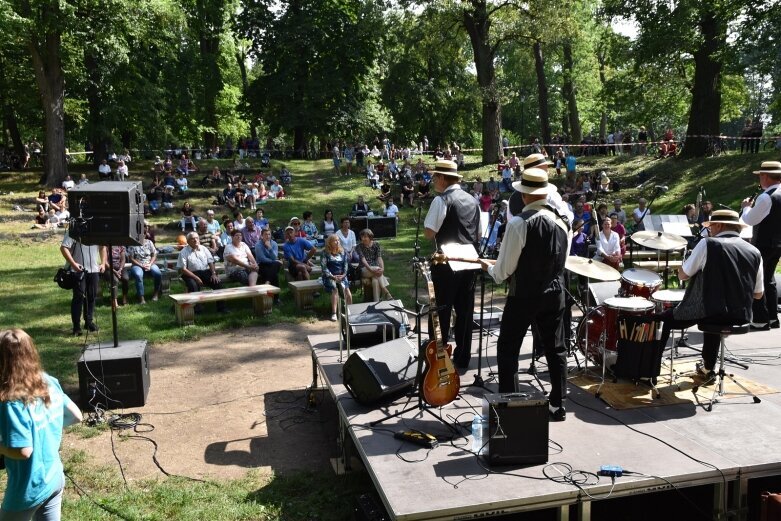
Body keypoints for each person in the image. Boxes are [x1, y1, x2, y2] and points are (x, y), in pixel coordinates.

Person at [478, 168, 570, 421]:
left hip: (525, 294)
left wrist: (490, 269)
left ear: (526, 195)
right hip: (555, 291)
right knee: (556, 348)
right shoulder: (564, 222)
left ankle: (510, 404)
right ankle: (558, 403)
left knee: (508, 347)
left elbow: (505, 268)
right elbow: (563, 259)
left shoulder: (519, 223)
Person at [657, 210, 764, 378]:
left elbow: (683, 275)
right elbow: (758, 294)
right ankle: (708, 368)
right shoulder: (754, 251)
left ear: (719, 225)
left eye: (711, 226)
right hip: (741, 316)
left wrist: (684, 265)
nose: (710, 230)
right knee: (715, 314)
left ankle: (651, 370)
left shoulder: (708, 244)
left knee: (664, 319)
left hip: (711, 312)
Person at [0, 329, 83, 520]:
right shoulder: (48, 382)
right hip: (54, 478)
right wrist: (44, 427)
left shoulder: (11, 402)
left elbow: (23, 451)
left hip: (28, 489)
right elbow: (76, 416)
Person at [423, 159, 480, 369]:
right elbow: (478, 234)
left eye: (435, 177)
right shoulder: (473, 200)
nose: (433, 180)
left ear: (443, 178)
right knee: (465, 311)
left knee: (441, 312)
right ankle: (463, 357)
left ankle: (438, 359)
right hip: (469, 261)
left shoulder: (442, 200)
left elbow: (429, 233)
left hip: (446, 262)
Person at [741, 161, 781, 329]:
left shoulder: (766, 197)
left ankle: (760, 319)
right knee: (769, 278)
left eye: (760, 176)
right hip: (778, 243)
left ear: (765, 176)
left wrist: (745, 208)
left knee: (757, 279)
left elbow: (749, 220)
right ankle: (773, 317)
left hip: (763, 243)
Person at [60, 231, 106, 335]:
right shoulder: (73, 231)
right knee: (78, 297)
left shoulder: (96, 231)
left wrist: (103, 263)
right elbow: (63, 248)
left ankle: (89, 322)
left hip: (94, 270)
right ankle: (76, 327)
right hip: (78, 270)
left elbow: (102, 247)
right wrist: (74, 264)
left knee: (92, 296)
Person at [176, 233, 225, 308]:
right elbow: (183, 269)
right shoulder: (184, 252)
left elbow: (210, 262)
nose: (195, 240)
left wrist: (214, 274)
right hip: (190, 274)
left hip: (205, 272)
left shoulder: (204, 248)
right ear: (188, 241)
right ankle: (197, 308)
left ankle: (222, 308)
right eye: (193, 238)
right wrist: (196, 278)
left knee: (217, 283)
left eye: (197, 238)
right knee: (193, 286)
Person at [322, 234, 352, 321]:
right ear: (329, 243)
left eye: (338, 240)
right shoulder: (325, 253)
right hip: (329, 277)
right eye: (335, 240)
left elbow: (346, 265)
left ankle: (350, 311)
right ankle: (334, 313)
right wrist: (332, 276)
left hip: (342, 276)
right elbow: (324, 267)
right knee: (334, 289)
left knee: (347, 291)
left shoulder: (342, 252)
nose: (337, 242)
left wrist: (343, 275)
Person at [356, 228, 392, 301]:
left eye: (365, 237)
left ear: (370, 237)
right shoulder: (359, 246)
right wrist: (371, 269)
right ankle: (386, 292)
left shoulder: (376, 244)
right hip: (364, 269)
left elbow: (379, 258)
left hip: (375, 270)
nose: (363, 238)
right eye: (362, 237)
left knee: (375, 281)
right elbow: (363, 260)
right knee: (376, 269)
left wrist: (382, 269)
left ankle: (376, 302)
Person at [127, 234, 162, 304]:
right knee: (138, 275)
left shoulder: (149, 242)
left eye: (143, 234)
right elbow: (131, 258)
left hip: (149, 263)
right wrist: (141, 265)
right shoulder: (132, 243)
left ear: (145, 234)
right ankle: (141, 298)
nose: (141, 235)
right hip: (137, 264)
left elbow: (154, 254)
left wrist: (150, 264)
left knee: (158, 273)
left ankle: (156, 294)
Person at [255, 228, 283, 296]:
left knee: (273, 269)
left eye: (269, 234)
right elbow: (262, 259)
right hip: (261, 265)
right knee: (275, 272)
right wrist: (275, 261)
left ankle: (267, 283)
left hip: (272, 265)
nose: (267, 236)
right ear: (262, 236)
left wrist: (270, 248)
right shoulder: (258, 245)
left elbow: (274, 256)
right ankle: (276, 298)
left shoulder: (274, 244)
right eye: (265, 234)